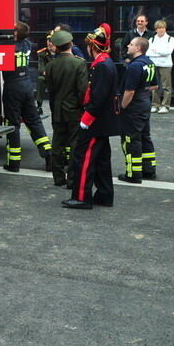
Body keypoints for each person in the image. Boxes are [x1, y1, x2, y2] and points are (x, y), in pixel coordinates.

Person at [62, 23, 119, 210]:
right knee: (102, 160)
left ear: (93, 46)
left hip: (95, 122)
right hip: (102, 122)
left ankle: (81, 197)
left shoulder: (101, 66)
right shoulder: (105, 63)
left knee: (83, 158)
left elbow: (98, 97)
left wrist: (86, 120)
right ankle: (104, 195)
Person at [2, 22, 52, 172]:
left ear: (15, 33)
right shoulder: (27, 44)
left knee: (13, 125)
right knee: (34, 121)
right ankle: (48, 154)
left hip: (13, 87)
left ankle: (13, 163)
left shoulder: (9, 47)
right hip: (27, 85)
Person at [45, 29, 88, 187]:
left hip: (57, 110)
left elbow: (50, 91)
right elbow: (82, 90)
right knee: (75, 145)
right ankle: (72, 179)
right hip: (74, 110)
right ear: (71, 44)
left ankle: (58, 178)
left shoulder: (50, 65)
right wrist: (82, 107)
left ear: (56, 46)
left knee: (57, 145)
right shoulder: (79, 63)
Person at [118, 37, 157, 184]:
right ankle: (149, 169)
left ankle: (133, 174)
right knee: (145, 137)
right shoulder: (149, 63)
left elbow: (129, 91)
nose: (128, 46)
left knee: (131, 139)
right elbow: (155, 86)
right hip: (144, 104)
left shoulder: (134, 66)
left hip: (133, 107)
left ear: (138, 48)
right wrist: (143, 89)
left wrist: (122, 107)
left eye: (131, 44)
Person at [148, 20, 174, 113]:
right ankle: (155, 105)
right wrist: (161, 51)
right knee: (155, 86)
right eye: (159, 28)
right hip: (154, 64)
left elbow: (168, 52)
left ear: (165, 29)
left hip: (165, 65)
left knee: (166, 86)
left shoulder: (170, 39)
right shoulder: (151, 39)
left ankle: (165, 106)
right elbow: (148, 52)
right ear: (156, 29)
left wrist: (156, 51)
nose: (161, 30)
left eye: (163, 28)